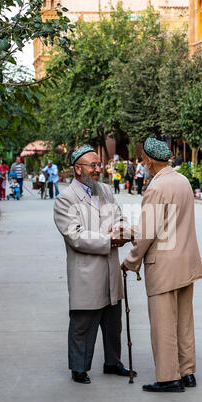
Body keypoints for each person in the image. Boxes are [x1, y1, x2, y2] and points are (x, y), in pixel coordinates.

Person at [121, 137, 202, 393]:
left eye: (143, 159)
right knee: (184, 322)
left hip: (163, 264)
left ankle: (169, 378)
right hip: (185, 262)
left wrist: (130, 261)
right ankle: (187, 371)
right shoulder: (182, 181)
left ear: (148, 160)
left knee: (163, 323)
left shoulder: (156, 187)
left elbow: (148, 232)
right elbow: (167, 223)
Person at [54, 144, 136, 385]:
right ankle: (79, 368)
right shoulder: (65, 199)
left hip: (110, 268)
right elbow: (75, 236)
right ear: (78, 169)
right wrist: (108, 239)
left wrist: (121, 229)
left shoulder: (106, 192)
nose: (98, 169)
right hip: (87, 272)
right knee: (83, 323)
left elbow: (120, 217)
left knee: (113, 323)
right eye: (93, 165)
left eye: (99, 165)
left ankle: (113, 362)